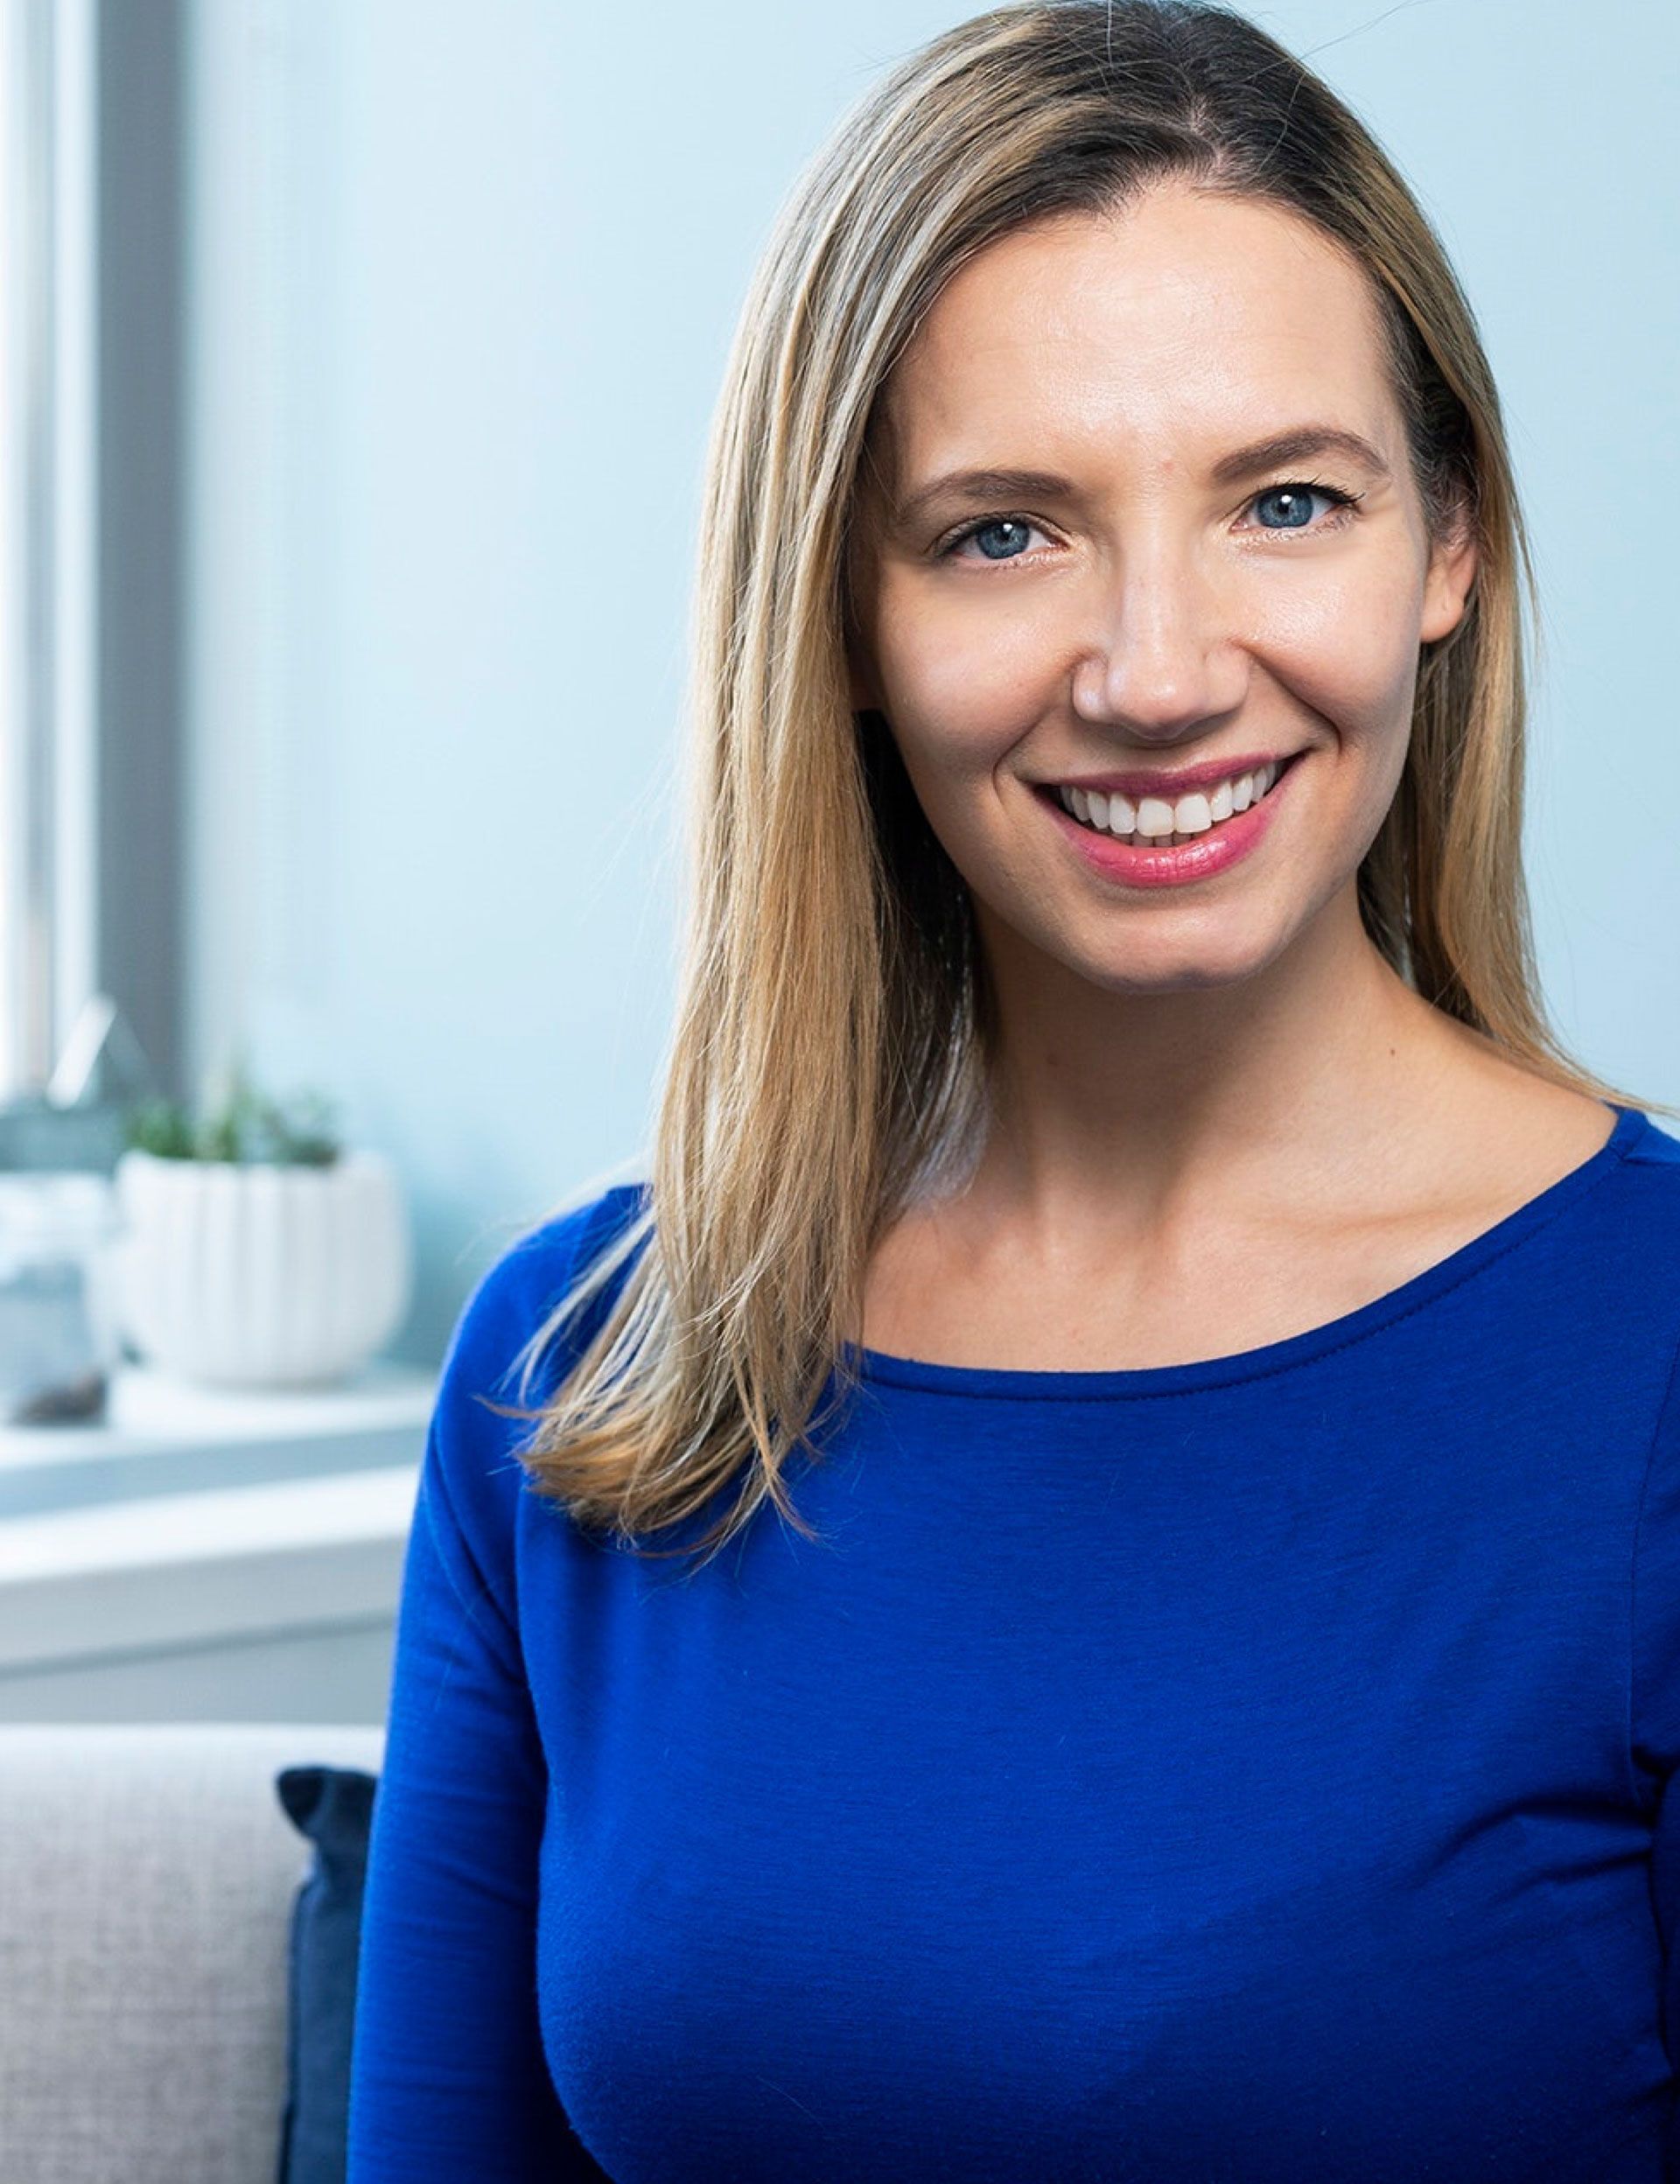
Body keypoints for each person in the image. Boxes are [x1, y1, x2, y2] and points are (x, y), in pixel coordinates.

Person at [346, 3, 1680, 2177]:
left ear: (1448, 550)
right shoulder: (574, 1373)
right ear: (840, 617)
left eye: (1284, 501)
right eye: (1002, 533)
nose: (1157, 673)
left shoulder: (1654, 1358)